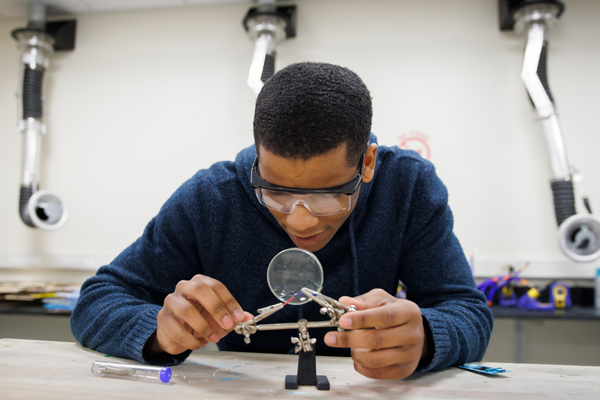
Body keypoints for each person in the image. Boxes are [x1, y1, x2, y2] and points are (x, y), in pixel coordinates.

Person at [70, 62, 493, 380]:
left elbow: (467, 311)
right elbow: (97, 301)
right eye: (276, 192)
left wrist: (427, 337)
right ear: (257, 158)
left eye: (328, 195)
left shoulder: (409, 188)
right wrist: (160, 333)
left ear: (366, 163)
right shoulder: (211, 197)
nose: (302, 220)